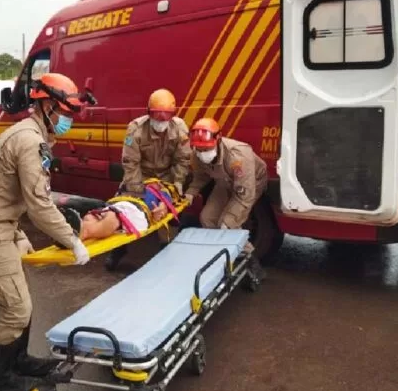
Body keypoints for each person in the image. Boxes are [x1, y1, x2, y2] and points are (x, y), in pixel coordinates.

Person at [0, 72, 93, 391]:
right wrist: (72, 239)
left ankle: (19, 360)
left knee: (20, 302)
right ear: (45, 106)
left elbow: (2, 191)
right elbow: (39, 203)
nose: (68, 119)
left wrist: (16, 232)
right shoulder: (29, 140)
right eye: (65, 112)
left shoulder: (29, 134)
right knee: (16, 308)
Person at [108, 89, 192, 269]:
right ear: (148, 112)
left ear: (173, 114)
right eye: (157, 114)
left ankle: (167, 249)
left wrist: (174, 186)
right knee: (123, 207)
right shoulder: (136, 129)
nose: (161, 119)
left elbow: (182, 161)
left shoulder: (180, 128)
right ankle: (118, 250)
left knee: (170, 214)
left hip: (166, 177)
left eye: (166, 115)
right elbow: (131, 164)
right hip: (141, 176)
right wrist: (138, 192)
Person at [183, 117, 267, 281]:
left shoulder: (238, 157)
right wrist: (191, 192)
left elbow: (244, 196)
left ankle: (251, 263)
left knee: (228, 226)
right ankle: (221, 258)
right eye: (198, 150)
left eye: (206, 149)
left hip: (249, 184)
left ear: (218, 140)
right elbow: (201, 176)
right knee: (207, 218)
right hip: (224, 181)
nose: (202, 153)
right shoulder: (198, 152)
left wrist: (229, 220)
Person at [61, 180, 177, 241]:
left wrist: (161, 210)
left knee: (113, 217)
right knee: (93, 215)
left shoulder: (163, 192)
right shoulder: (132, 184)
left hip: (137, 210)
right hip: (118, 203)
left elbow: (164, 208)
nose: (153, 182)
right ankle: (72, 230)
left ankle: (82, 233)